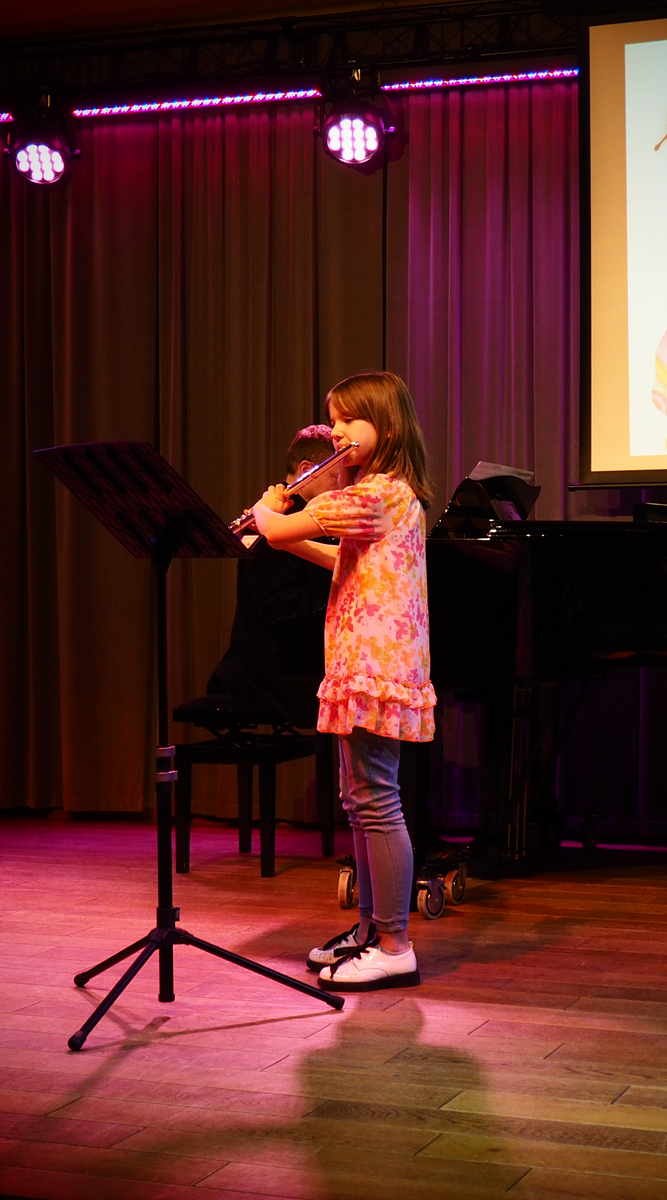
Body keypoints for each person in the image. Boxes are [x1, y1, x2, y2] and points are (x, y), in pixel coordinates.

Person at [250, 371, 435, 992]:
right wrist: (277, 535)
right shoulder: (389, 496)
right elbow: (338, 557)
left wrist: (269, 510)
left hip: (374, 666)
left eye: (348, 420)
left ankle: (395, 945)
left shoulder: (373, 493)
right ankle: (369, 932)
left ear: (387, 427)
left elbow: (281, 527)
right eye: (332, 419)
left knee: (376, 801)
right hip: (364, 663)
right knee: (361, 801)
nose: (336, 431)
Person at [205, 426, 343, 728]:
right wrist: (347, 613)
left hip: (302, 654)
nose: (343, 487)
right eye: (337, 477)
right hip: (274, 666)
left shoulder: (313, 516)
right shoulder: (276, 521)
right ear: (307, 470)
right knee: (357, 694)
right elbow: (282, 608)